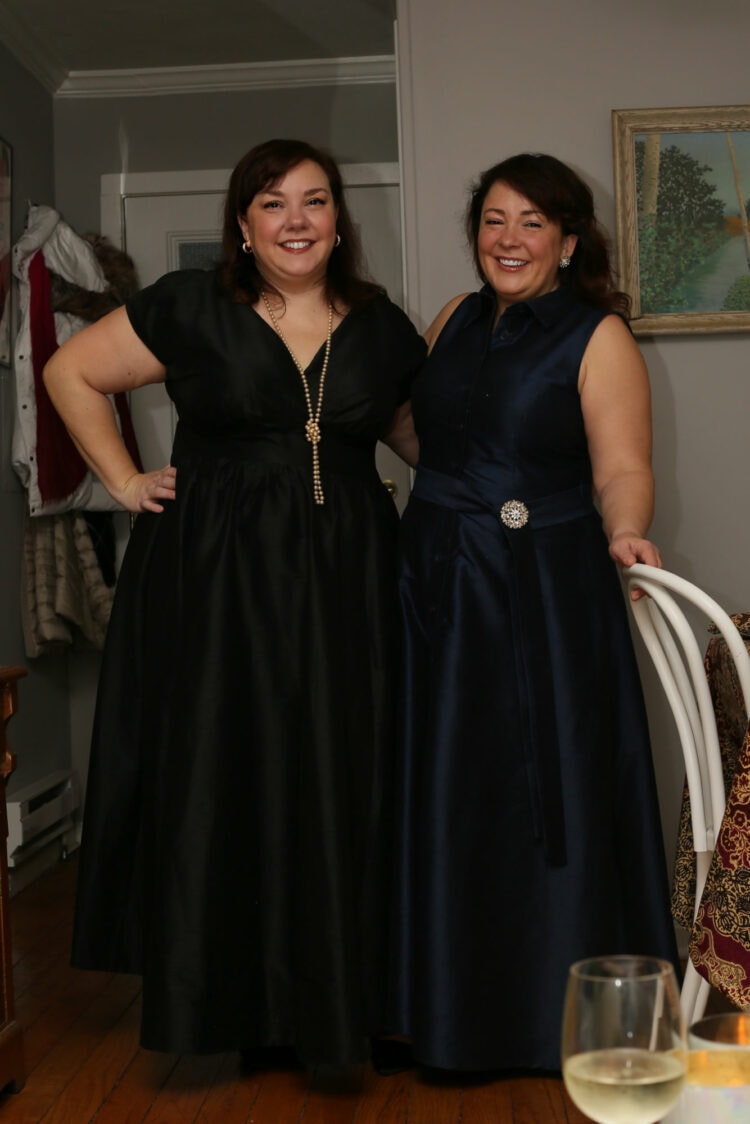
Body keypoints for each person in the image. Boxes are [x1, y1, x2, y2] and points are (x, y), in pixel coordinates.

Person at [43, 138, 425, 1068]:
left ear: (340, 222)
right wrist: (127, 479)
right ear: (244, 228)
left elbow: (425, 447)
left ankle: (344, 1003)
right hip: (216, 579)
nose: (296, 219)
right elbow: (70, 374)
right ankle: (232, 1008)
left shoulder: (384, 329)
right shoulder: (189, 306)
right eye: (272, 203)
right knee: (231, 769)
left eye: (315, 201)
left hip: (349, 581)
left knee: (343, 775)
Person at [388, 153, 679, 1072]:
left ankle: (551, 1021)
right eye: (494, 221)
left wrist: (626, 533)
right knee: (443, 791)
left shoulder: (598, 336)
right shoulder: (451, 318)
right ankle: (436, 1017)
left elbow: (623, 467)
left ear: (565, 242)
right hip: (434, 580)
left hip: (540, 590)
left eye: (531, 224)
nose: (509, 240)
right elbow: (423, 433)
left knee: (540, 790)